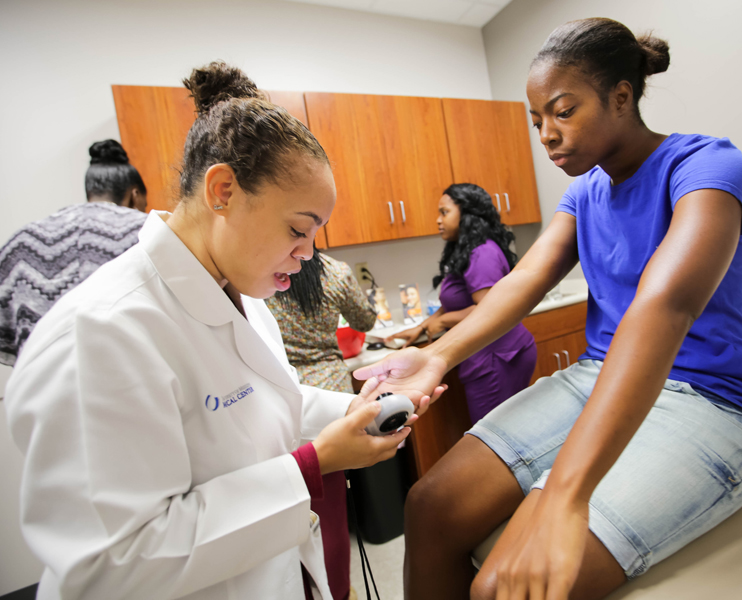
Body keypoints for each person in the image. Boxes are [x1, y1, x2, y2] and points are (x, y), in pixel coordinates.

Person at [355, 18, 742, 600]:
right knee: (429, 506)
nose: (547, 134)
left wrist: (563, 494)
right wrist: (438, 354)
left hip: (711, 402)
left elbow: (662, 309)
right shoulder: (584, 190)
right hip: (595, 376)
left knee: (504, 587)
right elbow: (525, 278)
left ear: (621, 97)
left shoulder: (706, 167)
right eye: (536, 121)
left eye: (562, 111)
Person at [4, 62, 443, 600]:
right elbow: (107, 568)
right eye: (297, 229)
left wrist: (352, 411)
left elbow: (258, 400)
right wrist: (315, 463)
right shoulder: (97, 336)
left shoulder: (244, 295)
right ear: (223, 191)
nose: (307, 256)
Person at [266, 248, 377, 600]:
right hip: (331, 390)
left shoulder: (264, 272)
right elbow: (365, 321)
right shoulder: (336, 272)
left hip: (284, 394)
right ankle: (339, 591)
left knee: (294, 508)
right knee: (330, 512)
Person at [388, 183, 537, 423]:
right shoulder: (467, 250)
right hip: (487, 351)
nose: (438, 220)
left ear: (466, 215)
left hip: (500, 356)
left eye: (444, 212)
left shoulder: (482, 253)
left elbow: (491, 309)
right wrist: (422, 327)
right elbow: (454, 303)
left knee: (493, 435)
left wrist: (443, 322)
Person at [0, 139, 147, 365]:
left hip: (37, 387)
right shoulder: (147, 231)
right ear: (134, 195)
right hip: (129, 379)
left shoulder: (22, 241)